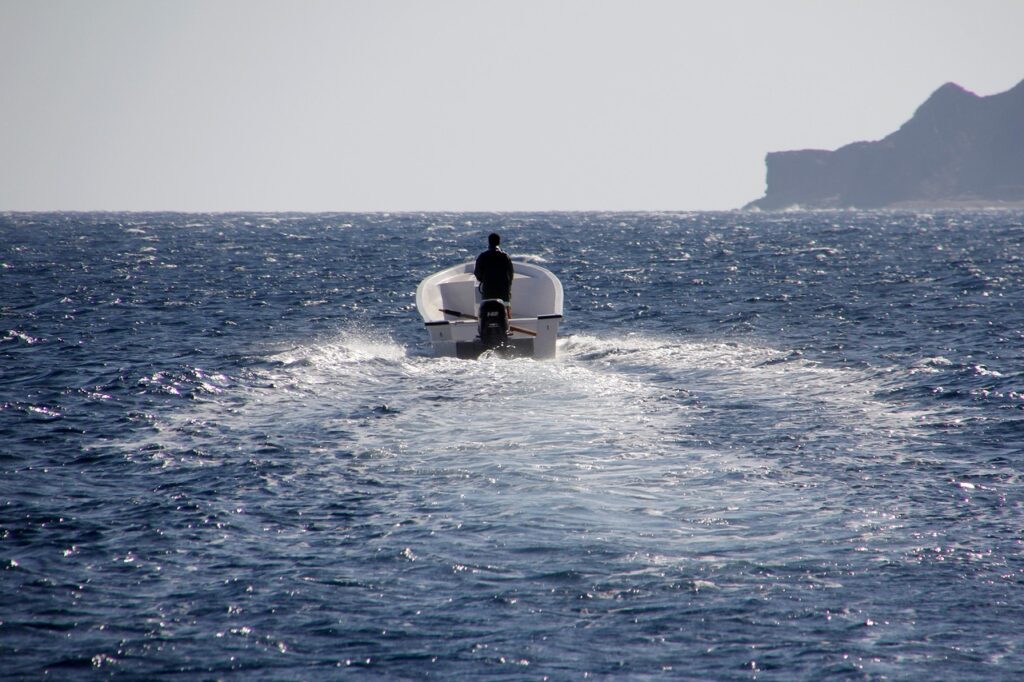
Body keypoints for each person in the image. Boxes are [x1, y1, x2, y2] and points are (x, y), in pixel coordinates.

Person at [474, 232, 514, 314]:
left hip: (488, 292)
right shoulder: (505, 256)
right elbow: (511, 275)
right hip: (503, 293)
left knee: (486, 311)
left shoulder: (483, 256)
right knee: (506, 310)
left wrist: (483, 279)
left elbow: (477, 273)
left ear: (489, 242)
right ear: (499, 242)